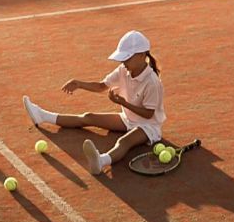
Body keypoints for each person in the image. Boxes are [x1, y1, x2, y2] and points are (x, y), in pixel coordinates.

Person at [23, 30, 166, 175]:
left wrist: (123, 103)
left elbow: (148, 114)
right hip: (128, 119)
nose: (123, 62)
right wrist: (79, 84)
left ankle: (101, 161)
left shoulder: (152, 82)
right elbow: (101, 86)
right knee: (88, 117)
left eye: (127, 58)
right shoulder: (124, 70)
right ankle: (43, 116)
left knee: (124, 142)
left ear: (142, 55)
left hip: (148, 127)